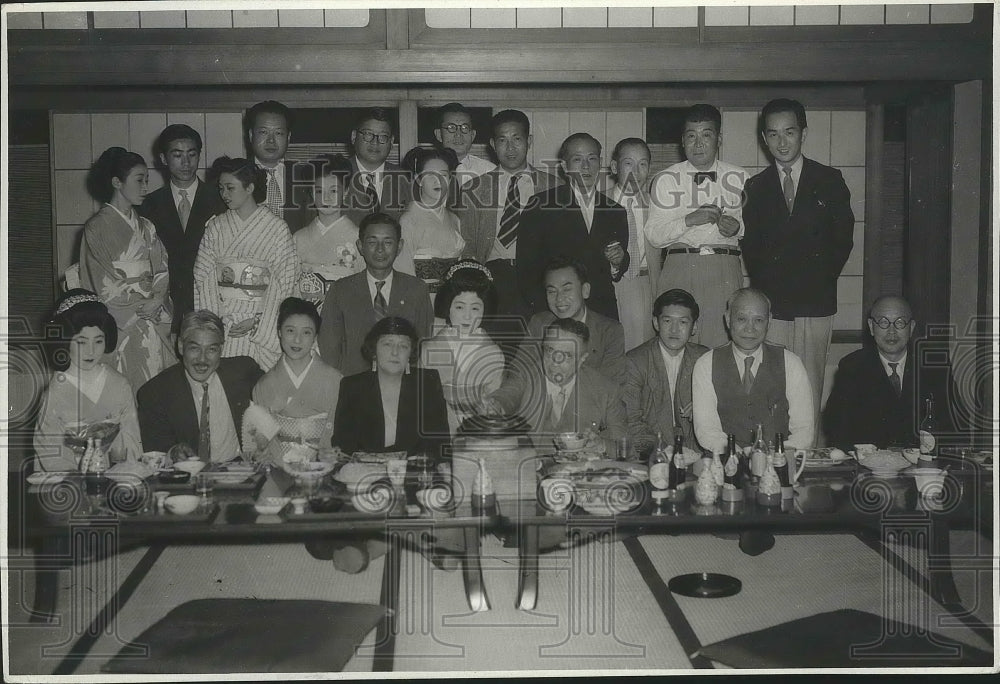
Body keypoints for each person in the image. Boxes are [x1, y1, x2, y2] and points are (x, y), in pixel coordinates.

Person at [742, 99, 855, 430]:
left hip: (815, 302)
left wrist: (813, 280)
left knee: (809, 390)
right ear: (764, 138)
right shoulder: (755, 187)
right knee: (771, 390)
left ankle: (810, 466)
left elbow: (842, 241)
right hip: (773, 306)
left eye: (789, 132)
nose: (781, 142)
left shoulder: (830, 179)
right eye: (773, 134)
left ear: (803, 133)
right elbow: (752, 249)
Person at [327, 317, 451, 574]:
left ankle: (373, 547)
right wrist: (339, 456)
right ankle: (419, 540)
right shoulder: (352, 386)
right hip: (366, 477)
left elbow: (439, 440)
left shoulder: (427, 382)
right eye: (387, 344)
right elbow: (343, 443)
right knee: (331, 513)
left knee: (432, 499)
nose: (395, 352)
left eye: (403, 345)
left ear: (411, 352)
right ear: (374, 349)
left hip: (412, 476)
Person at [458, 109, 562, 359]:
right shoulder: (474, 188)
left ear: (529, 141)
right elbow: (468, 246)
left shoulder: (555, 187)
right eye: (502, 140)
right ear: (493, 145)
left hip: (538, 280)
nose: (510, 147)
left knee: (537, 354)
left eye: (517, 139)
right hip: (493, 279)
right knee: (495, 355)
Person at [645, 104, 747, 348]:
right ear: (682, 141)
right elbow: (654, 235)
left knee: (721, 347)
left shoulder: (742, 177)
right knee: (676, 348)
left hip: (724, 268)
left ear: (719, 139)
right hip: (680, 266)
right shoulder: (665, 179)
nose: (698, 144)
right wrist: (690, 220)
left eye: (706, 135)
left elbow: (758, 231)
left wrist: (737, 228)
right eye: (691, 136)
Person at [79, 146, 173, 392]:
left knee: (156, 391)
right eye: (139, 180)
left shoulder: (147, 226)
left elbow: (161, 267)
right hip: (124, 323)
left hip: (152, 316)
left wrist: (158, 298)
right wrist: (143, 307)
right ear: (117, 182)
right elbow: (100, 281)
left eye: (147, 181)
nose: (145, 187)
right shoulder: (96, 228)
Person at [193, 156, 299, 371]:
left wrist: (259, 320)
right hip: (225, 321)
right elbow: (203, 277)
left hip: (261, 323)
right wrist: (218, 322)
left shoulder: (276, 228)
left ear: (250, 187)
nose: (224, 195)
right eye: (221, 188)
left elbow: (285, 280)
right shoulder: (216, 227)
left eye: (230, 188)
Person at [517, 132, 629, 321]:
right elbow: (527, 270)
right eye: (577, 159)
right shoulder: (541, 204)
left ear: (600, 163)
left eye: (592, 159)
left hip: (601, 312)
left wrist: (617, 262)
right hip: (557, 311)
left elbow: (618, 269)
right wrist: (545, 313)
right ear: (564, 166)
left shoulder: (615, 211)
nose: (586, 166)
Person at [692, 287, 815, 456]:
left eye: (758, 320)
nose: (750, 328)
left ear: (769, 321)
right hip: (725, 463)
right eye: (741, 319)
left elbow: (804, 430)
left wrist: (775, 456)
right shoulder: (706, 364)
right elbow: (706, 430)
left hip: (779, 462)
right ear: (728, 320)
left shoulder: (791, 363)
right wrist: (740, 457)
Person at [823, 295, 953, 451]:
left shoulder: (935, 365)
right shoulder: (852, 366)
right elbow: (838, 430)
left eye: (900, 322)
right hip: (871, 467)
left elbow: (955, 425)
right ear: (871, 327)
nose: (892, 331)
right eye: (883, 322)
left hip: (924, 465)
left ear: (911, 327)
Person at [33, 290, 142, 472]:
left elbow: (130, 442)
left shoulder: (119, 384)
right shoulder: (54, 392)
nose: (91, 351)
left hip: (114, 480)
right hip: (67, 484)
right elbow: (50, 454)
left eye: (98, 341)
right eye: (81, 342)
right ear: (65, 342)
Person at [137, 310, 263, 460]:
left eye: (212, 349)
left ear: (221, 349)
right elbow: (158, 454)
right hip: (188, 478)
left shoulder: (244, 372)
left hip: (240, 474)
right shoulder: (155, 393)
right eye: (194, 348)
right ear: (180, 346)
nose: (202, 359)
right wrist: (172, 455)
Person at [318, 212, 433, 375]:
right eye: (372, 242)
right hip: (353, 386)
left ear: (399, 247)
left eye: (388, 242)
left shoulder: (416, 289)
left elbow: (423, 345)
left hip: (402, 385)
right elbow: (329, 351)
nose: (380, 249)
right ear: (360, 246)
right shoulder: (341, 290)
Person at [489, 319, 627, 451]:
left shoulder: (606, 390)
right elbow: (507, 394)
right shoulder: (525, 375)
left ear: (582, 359)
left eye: (567, 355)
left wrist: (602, 445)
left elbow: (625, 448)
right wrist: (495, 405)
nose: (555, 361)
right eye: (550, 350)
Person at [140, 124, 227, 335]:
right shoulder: (147, 206)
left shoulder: (221, 200)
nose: (186, 163)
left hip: (211, 304)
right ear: (163, 158)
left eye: (192, 154)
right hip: (164, 308)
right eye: (177, 155)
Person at [243, 298, 343, 461]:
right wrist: (262, 454)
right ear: (279, 332)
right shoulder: (264, 385)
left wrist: (328, 454)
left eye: (306, 332)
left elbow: (342, 435)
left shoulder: (335, 380)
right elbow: (257, 441)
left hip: (322, 468)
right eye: (290, 331)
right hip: (279, 467)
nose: (297, 340)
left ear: (315, 337)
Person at [419, 260, 505, 433]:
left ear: (485, 309)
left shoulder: (493, 353)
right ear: (448, 307)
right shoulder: (430, 349)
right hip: (437, 431)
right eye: (459, 307)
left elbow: (495, 401)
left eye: (475, 308)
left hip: (480, 434)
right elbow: (422, 400)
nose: (467, 316)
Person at [623, 289, 709, 457]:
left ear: (694, 327)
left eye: (683, 322)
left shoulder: (704, 358)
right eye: (667, 321)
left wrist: (703, 410)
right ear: (656, 323)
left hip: (697, 451)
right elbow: (631, 420)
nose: (674, 330)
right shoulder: (635, 360)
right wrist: (663, 452)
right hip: (652, 451)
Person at [514, 256, 625, 379]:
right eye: (552, 291)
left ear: (585, 290)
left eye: (566, 289)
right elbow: (518, 373)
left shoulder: (610, 331)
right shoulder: (539, 323)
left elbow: (610, 387)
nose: (559, 298)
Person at [293, 154, 363, 310]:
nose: (326, 198)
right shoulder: (299, 238)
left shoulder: (357, 236)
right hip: (306, 317)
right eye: (319, 191)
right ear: (311, 194)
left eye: (333, 191)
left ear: (345, 192)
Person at [607, 137, 658, 350]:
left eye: (643, 164)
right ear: (614, 167)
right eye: (628, 163)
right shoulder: (598, 203)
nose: (635, 171)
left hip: (645, 284)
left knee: (641, 353)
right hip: (608, 285)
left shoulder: (657, 206)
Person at [395, 146, 466, 290]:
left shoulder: (454, 220)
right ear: (418, 179)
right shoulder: (408, 220)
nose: (438, 181)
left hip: (451, 297)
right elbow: (403, 272)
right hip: (421, 298)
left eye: (444, 175)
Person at [244, 100, 312, 232]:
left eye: (278, 133)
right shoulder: (234, 175)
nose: (271, 140)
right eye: (263, 132)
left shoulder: (305, 177)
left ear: (288, 137)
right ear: (251, 135)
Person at [343, 108, 412, 225]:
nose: (375, 142)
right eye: (368, 134)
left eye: (383, 136)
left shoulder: (405, 180)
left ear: (391, 142)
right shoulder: (335, 174)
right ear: (354, 137)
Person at [433, 102, 495, 187]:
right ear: (439, 135)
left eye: (465, 128)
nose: (458, 134)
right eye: (451, 127)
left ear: (472, 135)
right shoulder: (426, 169)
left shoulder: (489, 171)